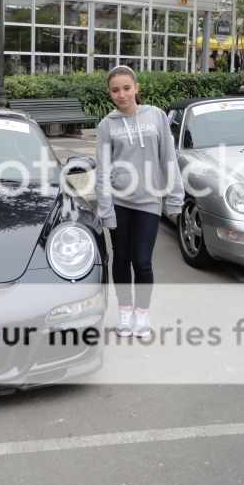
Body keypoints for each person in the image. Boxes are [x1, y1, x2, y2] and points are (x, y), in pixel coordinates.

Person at [95, 66, 185, 338]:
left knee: (142, 261)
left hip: (148, 202)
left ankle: (142, 313)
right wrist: (105, 210)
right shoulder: (106, 125)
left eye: (126, 88)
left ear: (136, 88)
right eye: (115, 90)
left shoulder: (156, 116)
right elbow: (102, 171)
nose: (121, 95)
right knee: (121, 259)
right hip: (119, 202)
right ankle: (125, 312)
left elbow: (168, 159)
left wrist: (174, 199)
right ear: (110, 93)